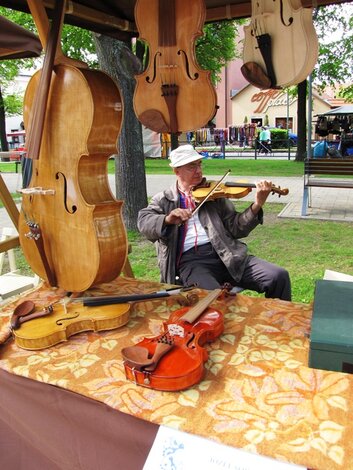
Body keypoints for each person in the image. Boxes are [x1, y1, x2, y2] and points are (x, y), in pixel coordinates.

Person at [137, 145, 291, 301]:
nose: (198, 170)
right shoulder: (164, 199)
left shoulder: (214, 195)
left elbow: (236, 228)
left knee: (278, 276)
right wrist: (167, 219)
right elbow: (144, 221)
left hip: (227, 254)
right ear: (176, 171)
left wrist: (257, 204)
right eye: (192, 167)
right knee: (215, 299)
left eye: (199, 164)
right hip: (192, 262)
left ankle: (281, 322)